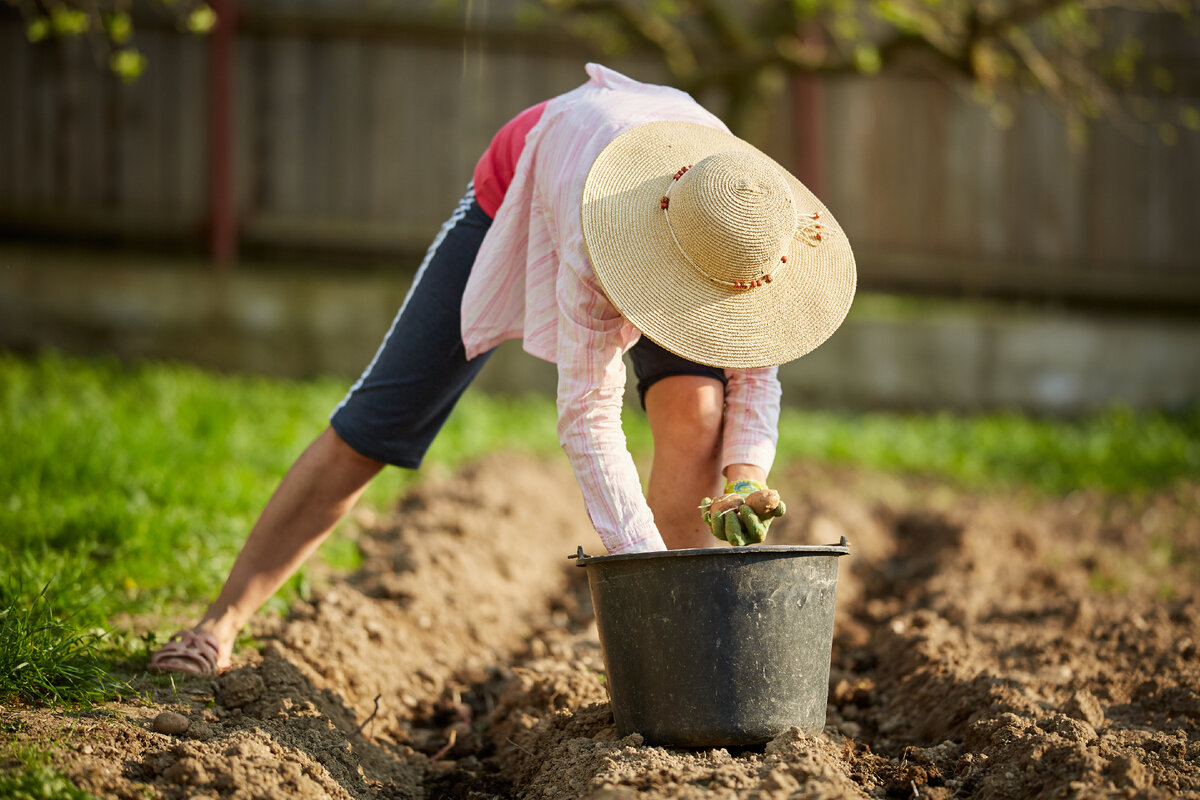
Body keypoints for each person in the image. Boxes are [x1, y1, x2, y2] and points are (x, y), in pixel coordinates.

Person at [148, 63, 856, 676]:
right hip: (534, 182)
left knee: (700, 417)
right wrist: (641, 569)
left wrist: (745, 483)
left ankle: (680, 662)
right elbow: (588, 414)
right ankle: (220, 621)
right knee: (377, 422)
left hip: (684, 219)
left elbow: (754, 377)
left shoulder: (752, 233)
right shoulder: (598, 231)